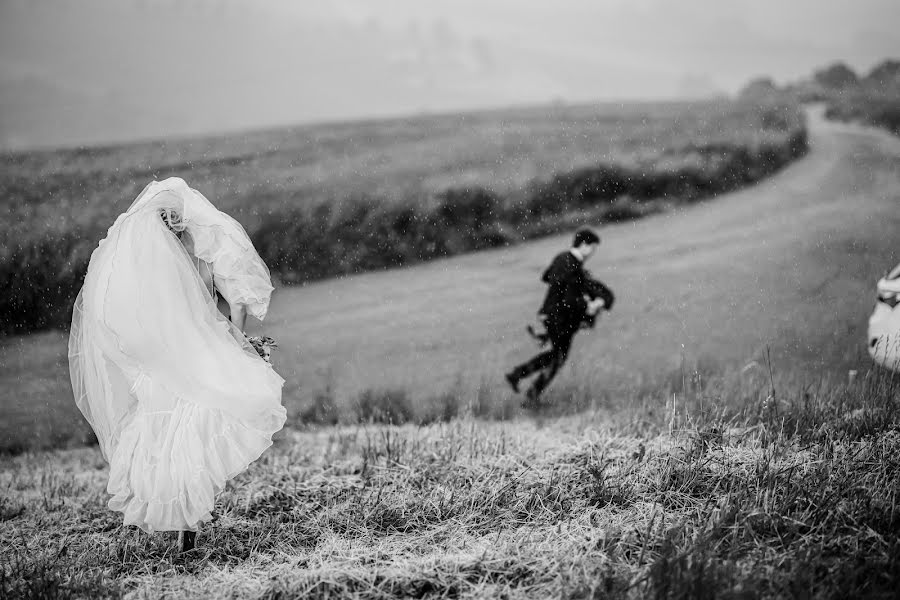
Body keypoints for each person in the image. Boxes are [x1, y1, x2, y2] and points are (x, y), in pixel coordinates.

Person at [68, 177, 286, 552]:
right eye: (168, 218)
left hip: (183, 350)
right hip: (166, 354)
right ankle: (176, 523)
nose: (173, 224)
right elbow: (142, 318)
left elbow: (231, 302)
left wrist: (235, 342)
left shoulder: (180, 252)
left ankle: (182, 524)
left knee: (183, 423)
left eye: (173, 217)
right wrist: (233, 345)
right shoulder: (156, 262)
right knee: (176, 425)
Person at [505, 228, 613, 406]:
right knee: (558, 358)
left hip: (550, 313)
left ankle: (521, 380)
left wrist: (562, 286)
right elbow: (570, 298)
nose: (593, 253)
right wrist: (589, 305)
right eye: (593, 248)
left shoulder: (562, 258)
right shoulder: (573, 265)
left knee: (557, 356)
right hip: (559, 317)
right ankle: (528, 390)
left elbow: (546, 276)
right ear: (584, 245)